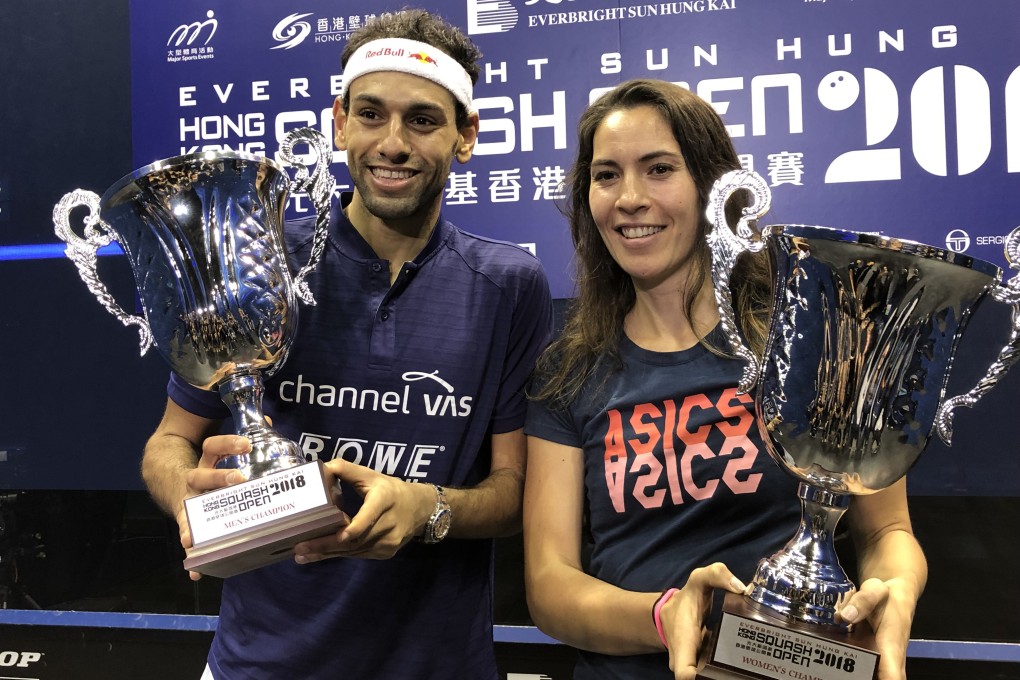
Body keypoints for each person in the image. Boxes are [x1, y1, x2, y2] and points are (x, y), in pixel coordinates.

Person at [141, 9, 553, 680]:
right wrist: (188, 496)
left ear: (467, 135)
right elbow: (168, 442)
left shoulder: (510, 284)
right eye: (370, 114)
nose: (392, 143)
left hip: (439, 667)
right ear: (339, 123)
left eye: (423, 120)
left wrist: (428, 510)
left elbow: (511, 494)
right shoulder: (262, 261)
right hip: (259, 666)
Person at [522, 79, 926, 680]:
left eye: (659, 169)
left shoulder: (809, 343)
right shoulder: (568, 371)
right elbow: (549, 585)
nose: (629, 197)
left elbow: (887, 529)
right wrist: (668, 616)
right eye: (606, 175)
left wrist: (893, 589)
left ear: (715, 187)